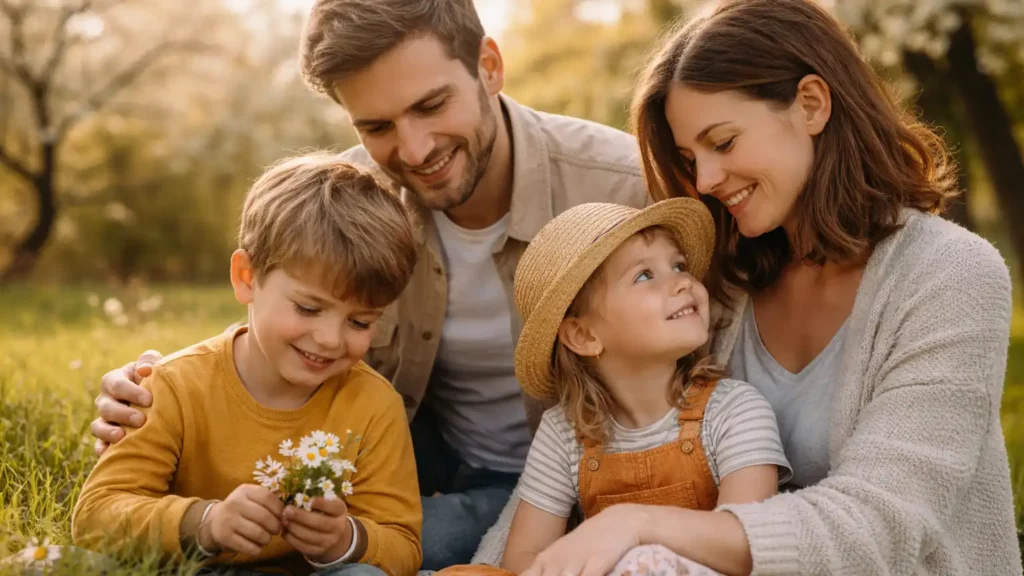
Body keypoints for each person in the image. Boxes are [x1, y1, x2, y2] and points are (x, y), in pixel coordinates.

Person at [88, 0, 647, 570]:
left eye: (432, 105)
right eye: (377, 127)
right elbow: (282, 309)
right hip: (408, 452)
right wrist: (157, 388)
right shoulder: (355, 198)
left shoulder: (624, 189)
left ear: (489, 66)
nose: (415, 150)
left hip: (577, 473)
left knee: (388, 548)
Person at [473, 0, 1022, 575]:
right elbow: (574, 462)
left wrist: (638, 523)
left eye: (724, 142)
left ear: (811, 105)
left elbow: (877, 525)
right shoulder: (720, 284)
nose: (706, 180)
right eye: (690, 158)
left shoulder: (950, 274)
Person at [72, 155, 423, 576]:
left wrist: (344, 540)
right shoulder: (175, 386)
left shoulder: (374, 406)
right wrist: (206, 523)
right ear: (246, 277)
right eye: (308, 308)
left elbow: (403, 544)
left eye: (360, 322)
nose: (331, 339)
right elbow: (96, 514)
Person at [502, 199, 792, 573]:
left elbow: (749, 546)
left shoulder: (735, 410)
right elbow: (522, 559)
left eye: (679, 266)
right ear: (584, 335)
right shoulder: (564, 434)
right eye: (644, 275)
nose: (684, 281)